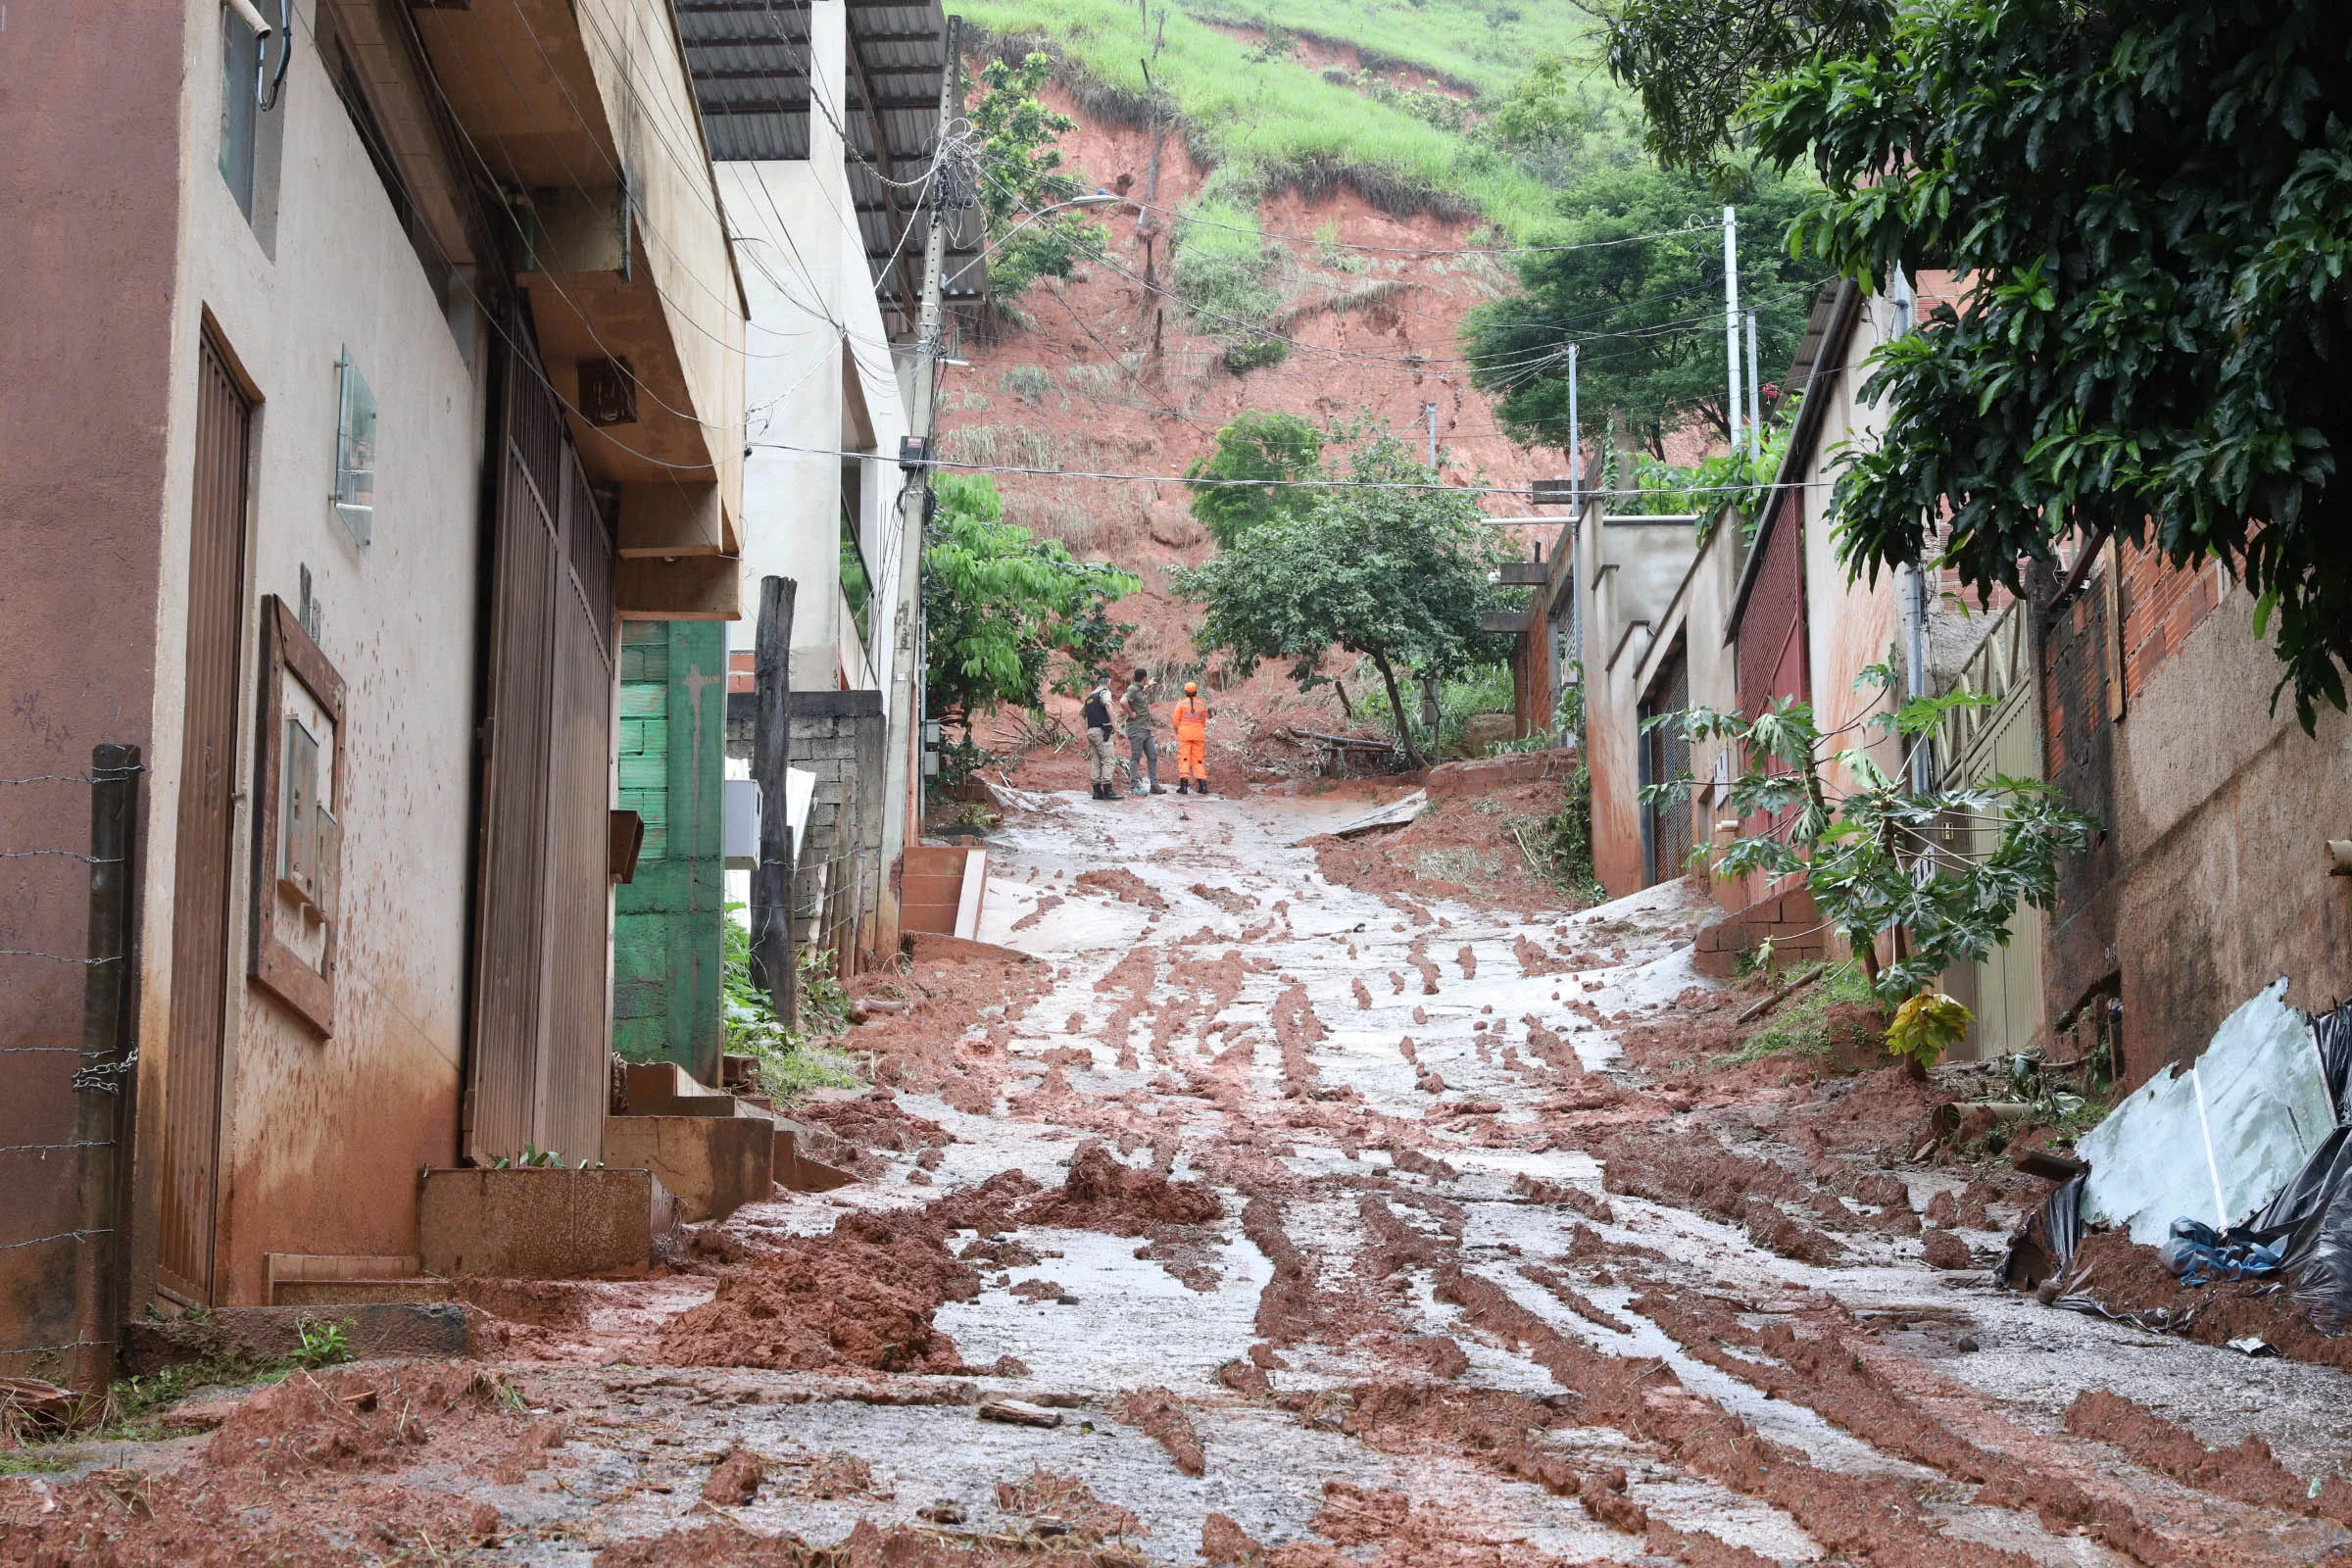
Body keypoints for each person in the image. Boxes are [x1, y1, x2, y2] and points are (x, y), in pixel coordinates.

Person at [1122, 667, 1164, 796]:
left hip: (1145, 729)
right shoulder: (1133, 689)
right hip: (1136, 728)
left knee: (1152, 756)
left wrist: (1148, 685)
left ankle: (1154, 785)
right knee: (1135, 757)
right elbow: (1123, 701)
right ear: (1144, 678)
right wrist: (1130, 713)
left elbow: (1140, 693)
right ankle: (1134, 785)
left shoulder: (1138, 689)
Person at [1080, 679, 1119, 801]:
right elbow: (1108, 704)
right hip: (1102, 732)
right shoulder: (1104, 693)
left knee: (1095, 762)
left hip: (1091, 731)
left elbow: (1081, 714)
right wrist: (1113, 723)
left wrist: (1087, 728)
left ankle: (1097, 792)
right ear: (1108, 683)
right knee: (1108, 760)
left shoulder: (1089, 697)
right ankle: (1108, 790)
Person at [1172, 680, 1210, 795]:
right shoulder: (1202, 704)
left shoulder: (1181, 703)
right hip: (1198, 735)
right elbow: (1203, 722)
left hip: (1184, 735)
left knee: (1184, 759)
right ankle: (1203, 785)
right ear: (1196, 691)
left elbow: (1175, 721)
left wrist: (1178, 731)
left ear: (1185, 692)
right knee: (1198, 760)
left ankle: (1183, 786)